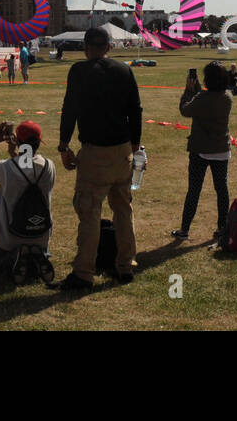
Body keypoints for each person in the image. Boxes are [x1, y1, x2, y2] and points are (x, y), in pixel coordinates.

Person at [54, 27, 143, 291]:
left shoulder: (79, 71)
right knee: (123, 210)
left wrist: (63, 144)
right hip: (123, 150)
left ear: (85, 47)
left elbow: (70, 109)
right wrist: (135, 145)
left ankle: (83, 273)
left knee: (90, 212)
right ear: (109, 47)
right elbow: (135, 110)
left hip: (95, 153)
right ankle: (125, 266)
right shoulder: (124, 70)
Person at [0, 120, 56, 283]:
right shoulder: (49, 166)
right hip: (39, 236)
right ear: (39, 142)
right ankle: (34, 258)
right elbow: (28, 170)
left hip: (9, 238)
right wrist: (16, 152)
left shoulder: (7, 168)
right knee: (36, 251)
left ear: (18, 141)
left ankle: (16, 256)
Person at [172, 62, 233, 241]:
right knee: (222, 190)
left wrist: (188, 90)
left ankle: (184, 229)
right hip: (221, 149)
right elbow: (206, 100)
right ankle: (222, 227)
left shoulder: (202, 98)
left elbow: (186, 110)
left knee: (194, 190)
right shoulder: (227, 97)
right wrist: (196, 90)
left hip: (200, 150)